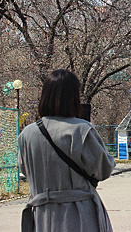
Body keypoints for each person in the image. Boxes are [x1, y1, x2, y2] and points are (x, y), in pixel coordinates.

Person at [18, 69, 115, 232]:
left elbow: (25, 171)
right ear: (73, 98)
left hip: (41, 216)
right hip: (79, 215)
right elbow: (103, 170)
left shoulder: (27, 134)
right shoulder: (81, 130)